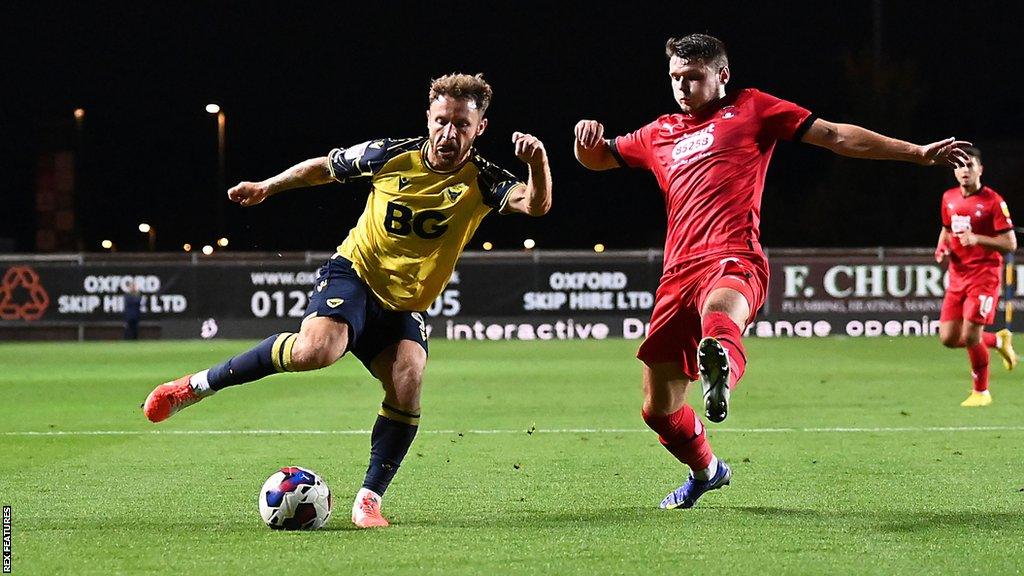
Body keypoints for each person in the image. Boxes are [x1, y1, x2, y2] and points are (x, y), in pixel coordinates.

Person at [573, 33, 972, 510]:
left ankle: (719, 368)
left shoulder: (752, 108)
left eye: (694, 77)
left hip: (734, 254)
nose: (683, 87)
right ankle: (707, 470)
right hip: (675, 274)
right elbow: (598, 159)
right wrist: (585, 143)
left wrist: (917, 152)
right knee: (658, 411)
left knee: (720, 315)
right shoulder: (659, 132)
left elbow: (836, 135)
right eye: (676, 78)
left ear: (722, 75)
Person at [143, 73, 552, 528]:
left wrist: (537, 164)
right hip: (354, 274)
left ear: (480, 128)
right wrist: (267, 187)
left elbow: (535, 204)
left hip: (404, 306)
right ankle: (193, 387)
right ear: (429, 118)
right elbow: (324, 167)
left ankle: (368, 501)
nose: (449, 134)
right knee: (316, 351)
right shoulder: (391, 154)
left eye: (461, 124)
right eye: (442, 121)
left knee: (409, 380)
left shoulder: (482, 179)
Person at [934, 146, 1017, 407]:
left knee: (971, 336)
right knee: (948, 338)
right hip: (958, 275)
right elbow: (946, 229)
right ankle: (998, 339)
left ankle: (981, 392)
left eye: (969, 165)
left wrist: (977, 239)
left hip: (984, 275)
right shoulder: (948, 197)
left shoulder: (994, 201)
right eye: (959, 166)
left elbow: (1010, 243)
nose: (964, 171)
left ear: (980, 169)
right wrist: (942, 247)